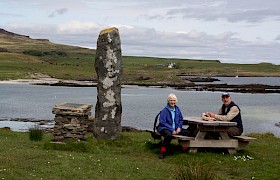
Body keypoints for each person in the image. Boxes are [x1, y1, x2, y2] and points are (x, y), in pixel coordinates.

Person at [157, 93, 189, 159]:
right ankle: (163, 151)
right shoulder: (164, 110)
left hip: (176, 128)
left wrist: (179, 128)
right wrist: (172, 130)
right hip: (164, 128)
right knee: (168, 135)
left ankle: (184, 147)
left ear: (176, 101)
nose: (172, 102)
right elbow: (162, 122)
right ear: (168, 101)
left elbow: (181, 119)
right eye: (171, 100)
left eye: (174, 100)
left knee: (188, 133)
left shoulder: (177, 109)